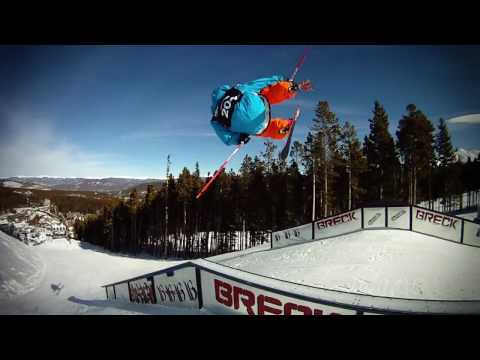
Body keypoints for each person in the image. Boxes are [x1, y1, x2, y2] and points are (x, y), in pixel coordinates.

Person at [210, 75, 312, 146]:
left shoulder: (215, 119)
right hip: (255, 106)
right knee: (264, 92)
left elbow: (226, 138)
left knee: (263, 130)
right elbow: (259, 83)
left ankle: (282, 129)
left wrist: (239, 139)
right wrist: (280, 79)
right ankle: (287, 88)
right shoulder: (235, 90)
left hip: (251, 127)